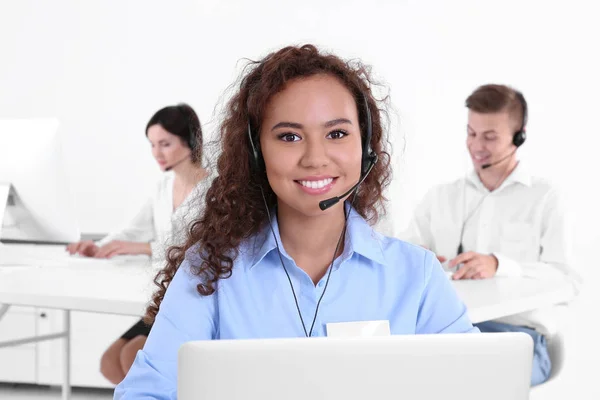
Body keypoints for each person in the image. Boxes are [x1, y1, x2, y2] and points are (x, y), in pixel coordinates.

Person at [114, 44, 477, 399]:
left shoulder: (418, 276)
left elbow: (478, 385)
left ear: (365, 147)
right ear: (256, 153)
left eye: (337, 134)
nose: (315, 158)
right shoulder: (209, 271)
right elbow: (146, 393)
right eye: (289, 136)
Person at [401, 84, 582, 386]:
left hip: (518, 339)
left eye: (490, 137)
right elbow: (403, 251)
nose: (476, 145)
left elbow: (568, 280)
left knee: (461, 383)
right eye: (471, 133)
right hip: (448, 334)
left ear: (519, 136)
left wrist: (500, 266)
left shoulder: (546, 198)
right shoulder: (441, 197)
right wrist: (418, 257)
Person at [67, 103, 212, 385]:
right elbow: (133, 229)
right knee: (111, 363)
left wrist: (145, 249)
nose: (156, 153)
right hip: (163, 292)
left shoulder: (213, 188)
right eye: (152, 145)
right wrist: (98, 246)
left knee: (133, 355)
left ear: (190, 141)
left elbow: (201, 246)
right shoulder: (162, 188)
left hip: (193, 295)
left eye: (165, 144)